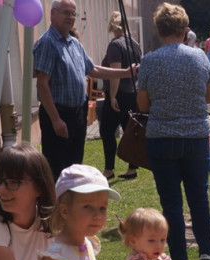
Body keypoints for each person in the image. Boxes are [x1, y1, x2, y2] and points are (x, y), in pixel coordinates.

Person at [136, 3, 210, 260]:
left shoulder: (149, 61)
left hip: (162, 137)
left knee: (171, 201)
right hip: (196, 136)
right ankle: (206, 253)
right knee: (199, 196)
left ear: (159, 30)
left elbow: (143, 104)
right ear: (185, 31)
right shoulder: (200, 58)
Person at [33, 0, 138, 180]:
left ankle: (72, 204)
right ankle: (54, 206)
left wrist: (125, 73)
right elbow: (42, 84)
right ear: (53, 14)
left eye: (73, 14)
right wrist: (56, 120)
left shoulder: (73, 43)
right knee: (57, 169)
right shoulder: (47, 43)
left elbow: (93, 69)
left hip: (77, 114)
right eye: (66, 13)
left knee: (75, 167)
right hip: (58, 115)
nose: (71, 18)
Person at [99, 11, 142, 180]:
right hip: (133, 92)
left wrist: (112, 96)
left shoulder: (115, 45)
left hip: (120, 93)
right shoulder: (134, 44)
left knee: (107, 130)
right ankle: (132, 167)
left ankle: (109, 169)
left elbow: (116, 72)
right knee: (129, 130)